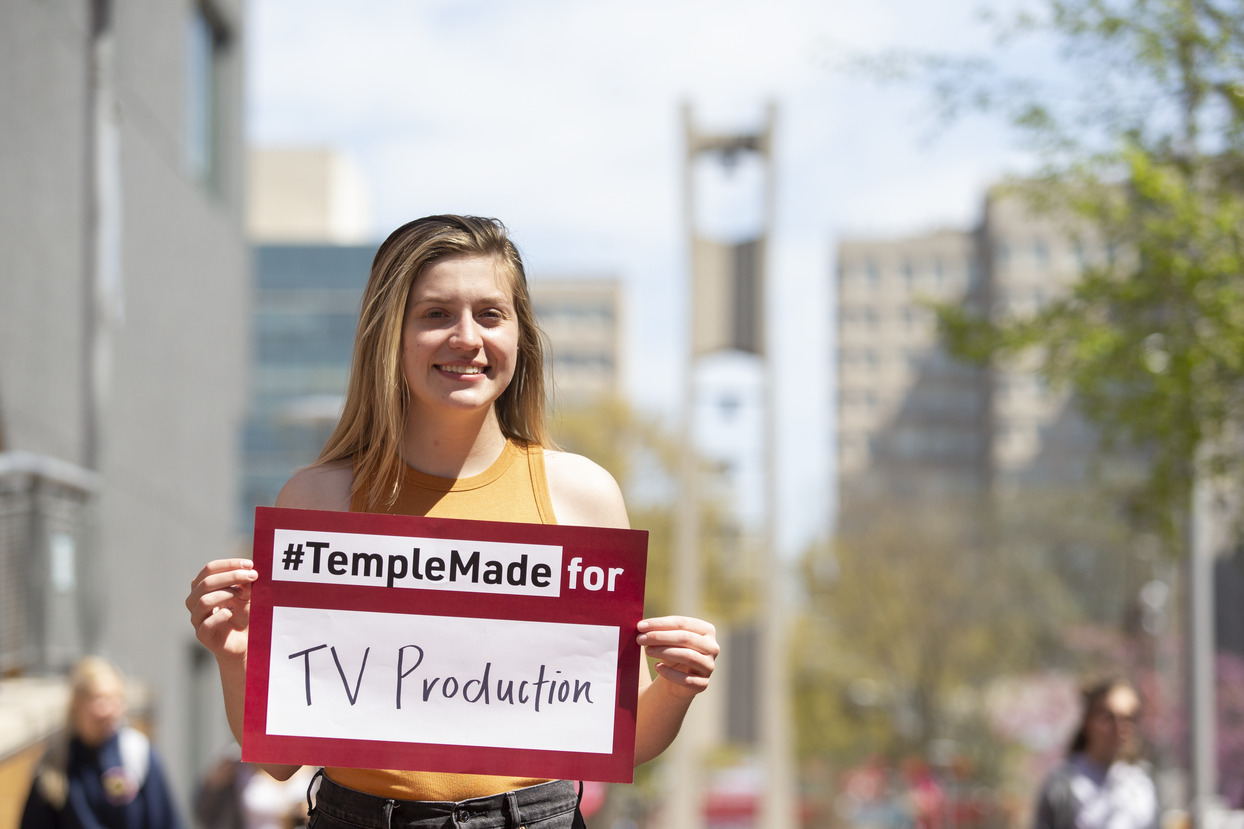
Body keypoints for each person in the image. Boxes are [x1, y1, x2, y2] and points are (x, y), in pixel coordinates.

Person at [185, 215, 719, 829]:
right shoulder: (318, 498)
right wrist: (236, 656)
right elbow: (280, 762)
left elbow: (616, 737)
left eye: (490, 314)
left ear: (520, 335)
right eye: (436, 314)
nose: (467, 338)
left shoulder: (583, 496)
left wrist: (674, 689)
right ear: (389, 334)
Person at [20, 656, 186, 829]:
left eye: (114, 700)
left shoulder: (137, 754)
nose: (107, 710)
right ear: (76, 703)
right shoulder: (55, 764)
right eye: (98, 700)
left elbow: (165, 821)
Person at [1032, 676, 1157, 829]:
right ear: (1088, 721)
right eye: (1109, 717)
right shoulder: (1062, 784)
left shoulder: (1141, 783)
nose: (1120, 727)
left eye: (1128, 719)